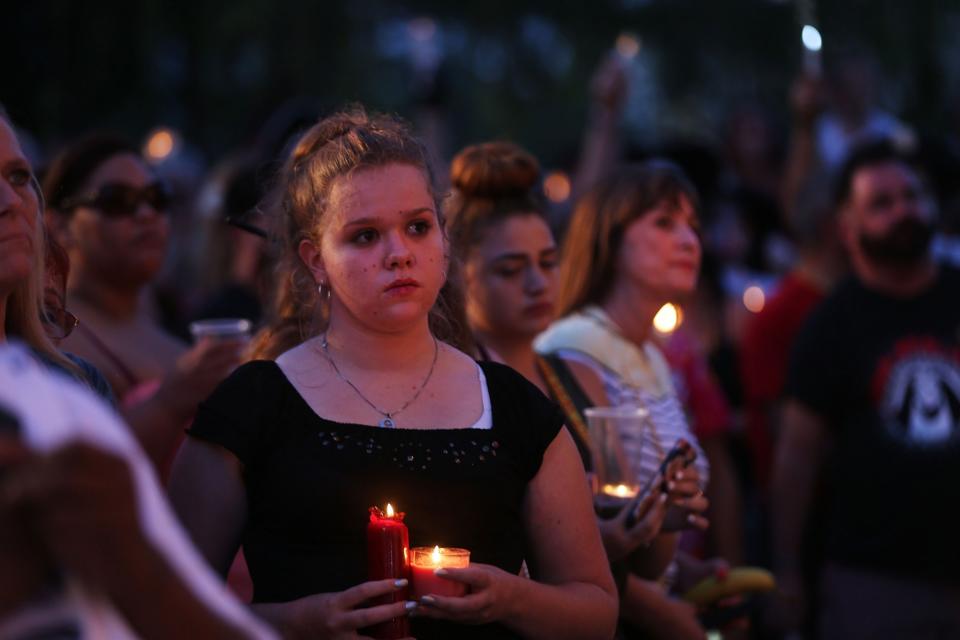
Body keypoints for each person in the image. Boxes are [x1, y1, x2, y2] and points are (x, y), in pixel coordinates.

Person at [169, 109, 619, 640]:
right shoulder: (252, 405)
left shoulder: (514, 408)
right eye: (364, 236)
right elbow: (166, 609)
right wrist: (294, 623)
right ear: (316, 261)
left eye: (417, 227)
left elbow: (596, 611)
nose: (399, 254)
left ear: (444, 241)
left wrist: (513, 599)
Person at [0, 107, 275, 640]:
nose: (8, 202)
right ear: (62, 224)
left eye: (17, 177)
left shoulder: (62, 386)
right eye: (119, 203)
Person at [772, 140, 960, 639]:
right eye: (882, 203)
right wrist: (787, 569)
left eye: (913, 195)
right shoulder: (830, 326)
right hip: (872, 581)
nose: (904, 210)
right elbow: (797, 458)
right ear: (846, 227)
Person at [535, 161, 713, 639]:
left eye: (693, 227)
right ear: (611, 240)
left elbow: (655, 525)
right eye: (663, 223)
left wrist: (687, 575)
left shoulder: (651, 356)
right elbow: (596, 533)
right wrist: (658, 612)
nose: (689, 241)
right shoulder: (575, 350)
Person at [43, 133, 244, 471]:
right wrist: (169, 400)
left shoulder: (167, 329)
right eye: (117, 200)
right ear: (59, 225)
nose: (147, 214)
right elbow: (68, 475)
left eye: (157, 198)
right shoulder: (46, 336)